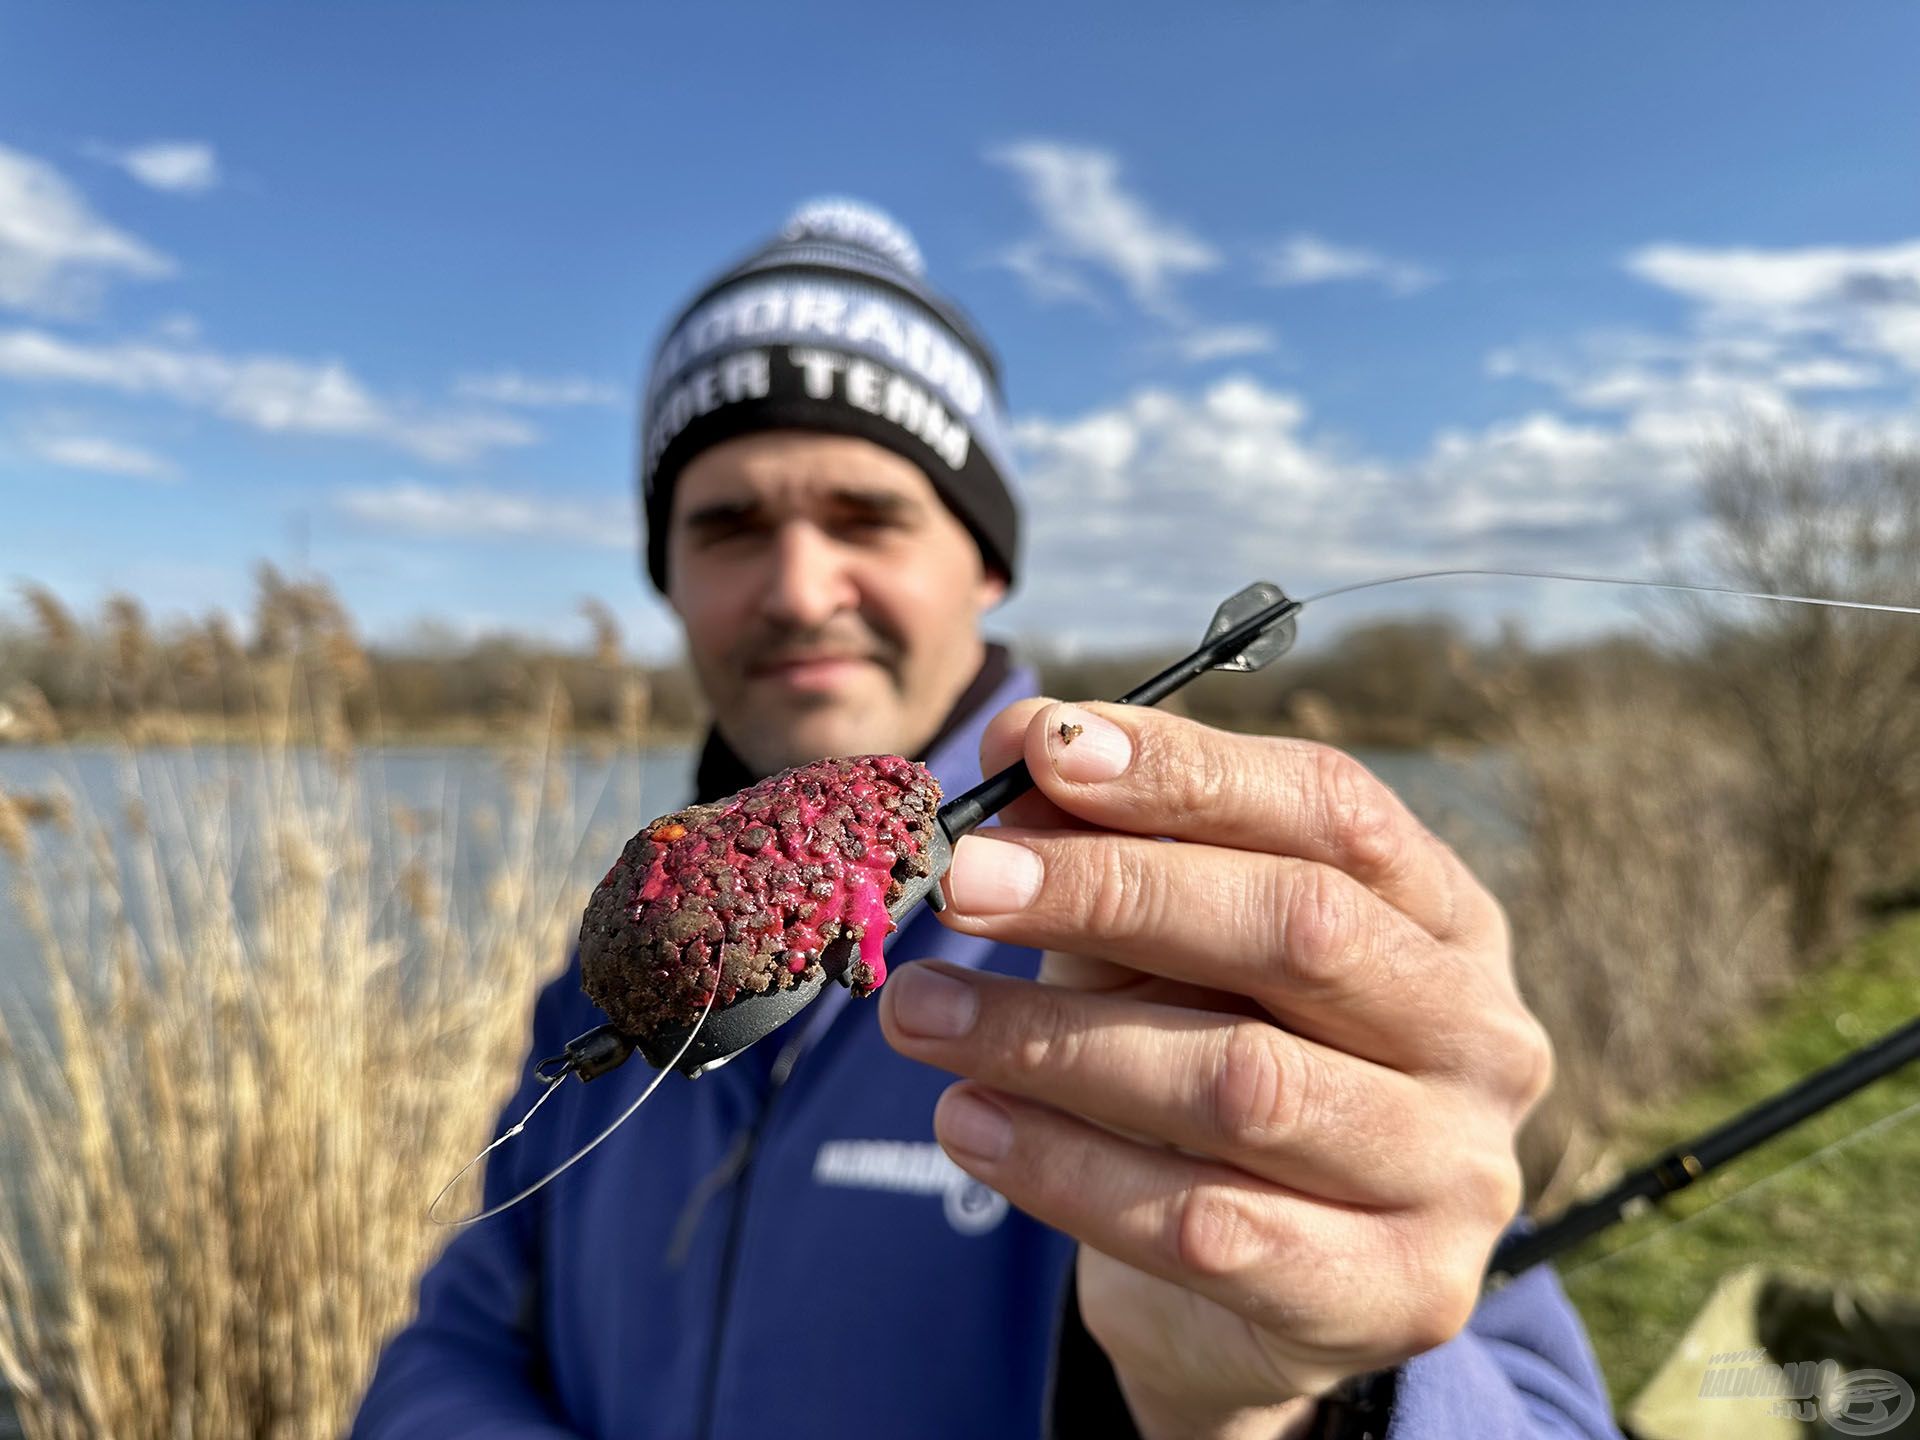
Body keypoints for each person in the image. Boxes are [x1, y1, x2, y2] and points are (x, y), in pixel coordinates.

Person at [351, 200, 1621, 1439]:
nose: (800, 589)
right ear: (668, 576)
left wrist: (1303, 1403)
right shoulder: (593, 993)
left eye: (868, 516)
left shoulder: (1192, 946)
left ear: (987, 557)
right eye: (730, 525)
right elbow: (457, 1342)